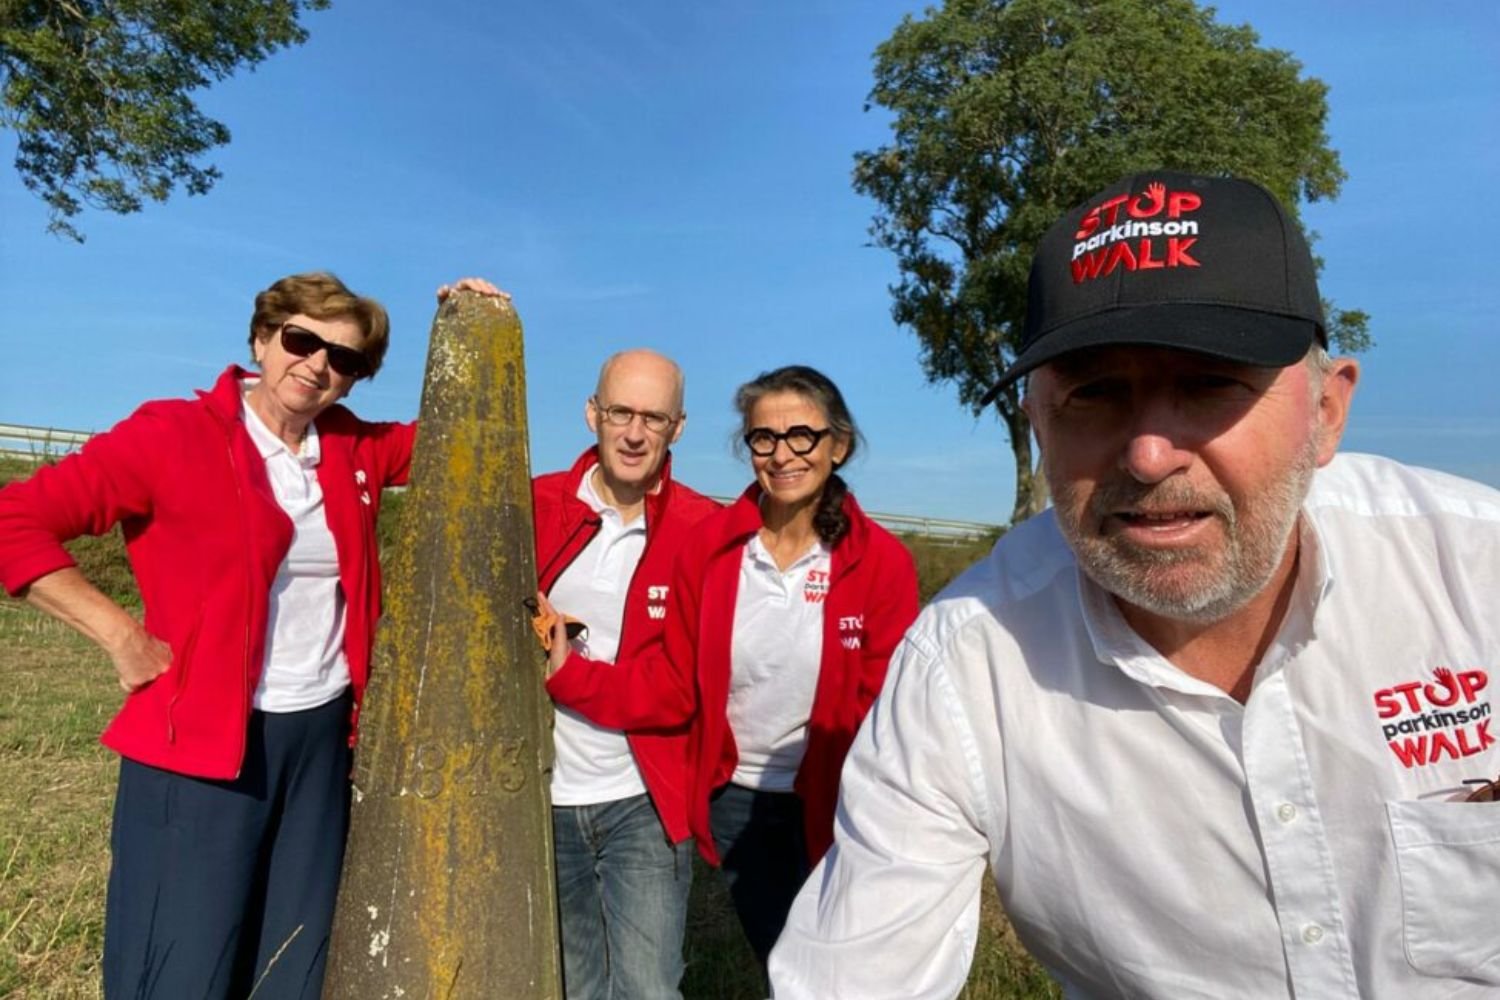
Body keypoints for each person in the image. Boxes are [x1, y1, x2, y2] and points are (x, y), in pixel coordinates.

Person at [768, 170, 1500, 999]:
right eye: (1095, 394)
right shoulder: (964, 670)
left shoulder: (1477, 575)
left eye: (1210, 382)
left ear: (1327, 413)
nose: (1149, 454)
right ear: (1038, 426)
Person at [0, 273, 423, 998]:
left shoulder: (354, 450)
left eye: (344, 359)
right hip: (200, 749)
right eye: (301, 340)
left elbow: (470, 445)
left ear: (353, 382)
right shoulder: (171, 435)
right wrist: (118, 633)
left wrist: (475, 313)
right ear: (262, 340)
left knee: (292, 961)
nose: (317, 364)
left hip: (321, 742)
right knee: (181, 964)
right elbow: (15, 523)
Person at [544, 364, 921, 974]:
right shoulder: (713, 548)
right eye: (763, 439)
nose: (782, 454)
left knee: (852, 972)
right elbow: (672, 683)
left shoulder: (881, 563)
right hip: (735, 801)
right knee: (783, 964)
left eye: (803, 435)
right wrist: (572, 674)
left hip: (837, 802)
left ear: (839, 445)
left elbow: (888, 711)